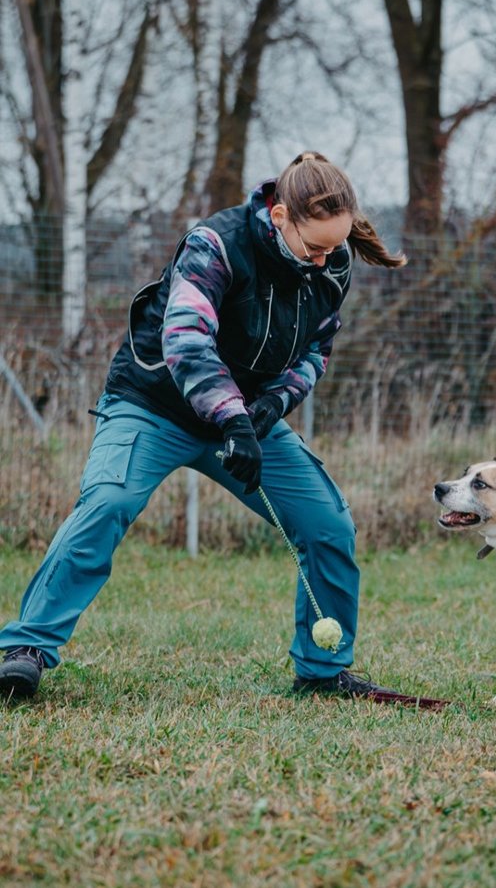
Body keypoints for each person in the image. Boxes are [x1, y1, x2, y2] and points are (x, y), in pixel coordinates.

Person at [0, 151, 435, 706]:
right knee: (107, 502)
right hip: (154, 404)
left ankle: (323, 673)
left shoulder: (335, 263)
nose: (327, 261)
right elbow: (185, 339)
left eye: (336, 247)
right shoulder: (216, 244)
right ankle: (28, 649)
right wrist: (230, 416)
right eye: (316, 247)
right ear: (280, 218)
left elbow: (316, 352)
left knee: (328, 524)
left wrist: (270, 407)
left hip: (245, 419)